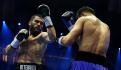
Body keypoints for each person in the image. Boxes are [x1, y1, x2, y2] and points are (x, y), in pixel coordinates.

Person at [4, 4, 56, 70]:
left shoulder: (42, 36)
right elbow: (8, 52)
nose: (39, 24)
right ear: (30, 22)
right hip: (19, 67)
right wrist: (16, 40)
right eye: (37, 21)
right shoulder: (21, 35)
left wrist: (47, 17)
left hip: (35, 67)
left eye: (42, 23)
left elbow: (53, 37)